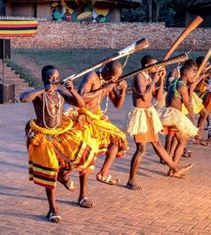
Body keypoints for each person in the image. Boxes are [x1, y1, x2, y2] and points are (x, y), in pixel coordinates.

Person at [21, 65, 99, 223]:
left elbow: (81, 104)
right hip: (44, 137)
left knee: (80, 156)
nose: (55, 81)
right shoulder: (39, 94)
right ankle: (53, 209)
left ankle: (64, 176)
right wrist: (44, 88)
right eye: (51, 78)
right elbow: (23, 98)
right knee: (49, 172)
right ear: (43, 79)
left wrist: (72, 90)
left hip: (62, 133)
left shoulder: (61, 93)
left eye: (57, 78)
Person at [126, 55, 192, 190]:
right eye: (154, 66)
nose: (156, 68)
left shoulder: (149, 77)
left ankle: (175, 167)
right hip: (140, 115)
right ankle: (131, 180)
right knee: (141, 149)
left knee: (156, 143)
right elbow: (144, 95)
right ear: (146, 66)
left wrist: (161, 79)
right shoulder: (139, 76)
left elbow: (158, 96)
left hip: (149, 113)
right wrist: (154, 79)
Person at [70, 60, 128, 186]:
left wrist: (123, 90)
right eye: (114, 76)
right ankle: (82, 194)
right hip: (84, 118)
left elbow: (118, 104)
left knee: (117, 140)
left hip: (98, 118)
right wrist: (103, 89)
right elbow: (81, 98)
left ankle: (103, 173)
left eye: (117, 77)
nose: (115, 79)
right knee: (88, 154)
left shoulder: (108, 81)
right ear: (106, 70)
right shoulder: (92, 76)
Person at [157, 60, 199, 169]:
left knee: (177, 139)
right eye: (193, 73)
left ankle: (171, 162)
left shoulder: (174, 82)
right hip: (175, 116)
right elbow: (188, 105)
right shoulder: (182, 87)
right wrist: (192, 121)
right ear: (185, 73)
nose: (194, 75)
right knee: (183, 141)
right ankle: (173, 169)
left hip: (168, 113)